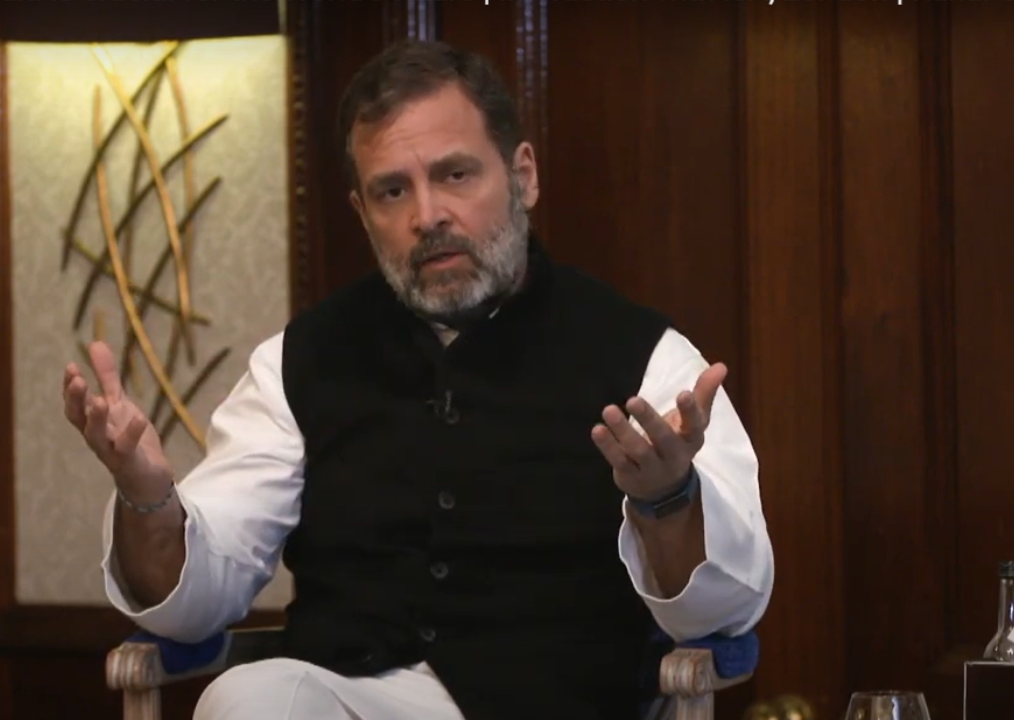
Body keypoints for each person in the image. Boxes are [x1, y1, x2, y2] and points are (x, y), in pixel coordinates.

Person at [63, 39, 773, 720]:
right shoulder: (298, 361)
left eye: (455, 175)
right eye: (392, 190)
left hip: (550, 704)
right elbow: (192, 605)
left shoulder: (646, 358)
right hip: (352, 698)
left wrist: (667, 499)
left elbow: (729, 610)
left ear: (523, 176)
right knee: (246, 700)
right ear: (361, 213)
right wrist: (148, 497)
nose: (426, 215)